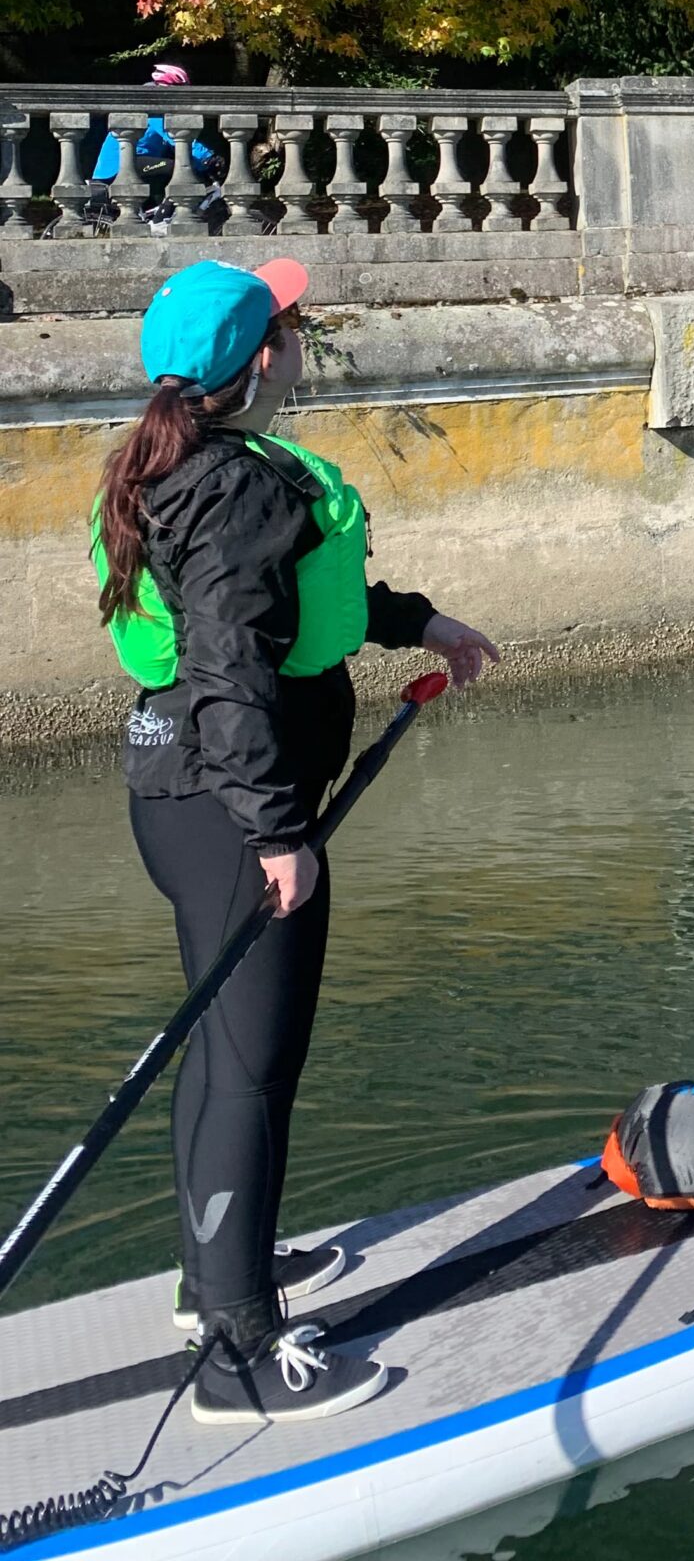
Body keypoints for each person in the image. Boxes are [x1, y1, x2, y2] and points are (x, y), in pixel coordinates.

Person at [93, 257, 500, 1424]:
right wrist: (276, 831)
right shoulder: (237, 489)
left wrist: (420, 620)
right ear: (262, 361)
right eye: (295, 329)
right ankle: (238, 1354)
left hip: (179, 794)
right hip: (231, 811)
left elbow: (288, 601)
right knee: (254, 1071)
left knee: (226, 1054)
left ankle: (213, 1275)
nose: (305, 342)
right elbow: (229, 664)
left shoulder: (189, 467)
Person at [89, 64, 223, 225]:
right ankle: (160, 223)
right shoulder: (151, 109)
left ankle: (157, 223)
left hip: (133, 161)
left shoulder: (152, 105)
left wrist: (202, 164)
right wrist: (208, 157)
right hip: (121, 164)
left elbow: (179, 146)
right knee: (180, 170)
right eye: (178, 91)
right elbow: (174, 135)